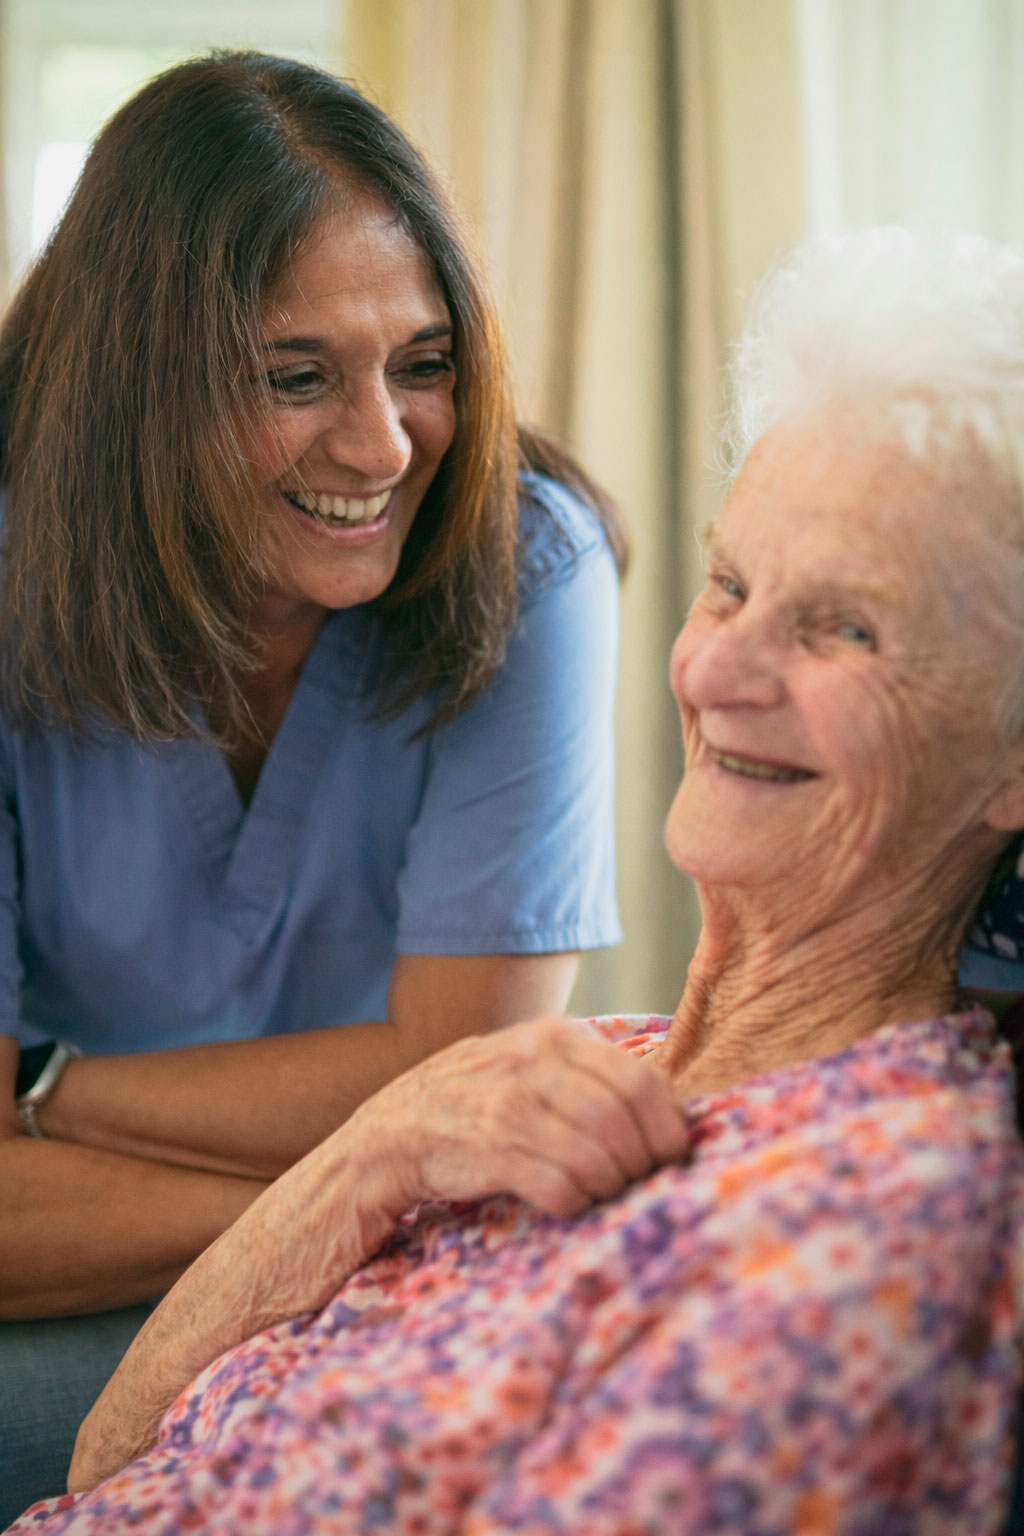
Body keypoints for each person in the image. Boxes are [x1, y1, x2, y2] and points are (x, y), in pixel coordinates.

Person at [8, 225, 1024, 1536]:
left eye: (845, 628)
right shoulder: (603, 1061)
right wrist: (364, 1154)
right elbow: (108, 1463)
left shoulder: (873, 1221)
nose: (714, 676)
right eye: (728, 586)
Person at [0, 51, 627, 1523]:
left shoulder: (526, 566)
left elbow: (462, 1065)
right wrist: (328, 1209)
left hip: (252, 1227)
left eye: (422, 362)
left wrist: (48, 1097)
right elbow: (434, 1116)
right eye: (296, 377)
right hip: (182, 1265)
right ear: (133, 390)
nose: (382, 444)